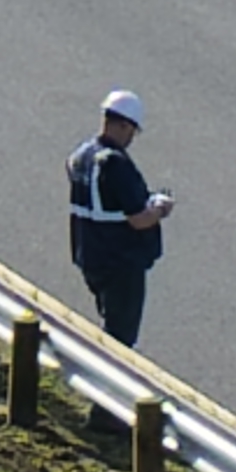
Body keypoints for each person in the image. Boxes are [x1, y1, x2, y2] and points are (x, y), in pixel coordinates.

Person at [66, 90, 170, 347]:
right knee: (121, 337)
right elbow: (139, 219)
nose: (131, 137)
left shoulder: (80, 156)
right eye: (132, 130)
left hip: (91, 257)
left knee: (110, 320)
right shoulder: (115, 163)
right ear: (123, 125)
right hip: (121, 263)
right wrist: (160, 208)